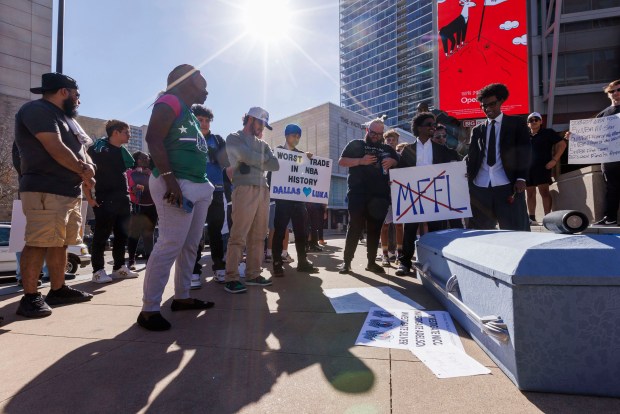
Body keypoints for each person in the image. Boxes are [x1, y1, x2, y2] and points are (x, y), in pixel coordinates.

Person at [138, 64, 215, 331]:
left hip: (196, 185)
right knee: (170, 243)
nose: (206, 90)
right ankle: (149, 309)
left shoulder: (190, 113)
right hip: (177, 183)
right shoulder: (169, 101)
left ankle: (182, 296)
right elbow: (153, 139)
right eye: (202, 83)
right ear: (187, 81)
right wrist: (171, 180)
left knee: (190, 246)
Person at [14, 72, 94, 318]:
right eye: (76, 95)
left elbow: (80, 149)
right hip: (44, 188)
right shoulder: (37, 110)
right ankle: (30, 298)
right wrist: (83, 170)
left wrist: (88, 169)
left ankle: (57, 290)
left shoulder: (66, 118)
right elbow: (55, 147)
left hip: (66, 191)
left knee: (59, 242)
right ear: (63, 92)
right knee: (38, 241)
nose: (78, 100)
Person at [395, 113, 460, 276]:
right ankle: (405, 262)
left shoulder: (441, 149)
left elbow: (454, 167)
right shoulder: (408, 150)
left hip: (436, 197)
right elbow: (401, 172)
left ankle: (436, 264)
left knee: (435, 231)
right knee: (409, 230)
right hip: (413, 196)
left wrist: (460, 172)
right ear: (419, 128)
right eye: (429, 124)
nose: (433, 126)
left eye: (434, 124)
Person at [224, 107, 280, 293]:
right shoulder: (234, 137)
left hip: (263, 189)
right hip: (244, 187)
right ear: (250, 119)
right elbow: (243, 155)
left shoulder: (263, 143)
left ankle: (253, 274)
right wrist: (259, 158)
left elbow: (275, 165)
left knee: (258, 235)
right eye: (261, 123)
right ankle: (231, 277)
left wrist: (252, 158)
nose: (262, 127)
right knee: (238, 234)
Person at [337, 118, 399, 274]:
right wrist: (360, 161)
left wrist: (393, 161)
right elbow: (341, 161)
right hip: (358, 194)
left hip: (380, 197)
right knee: (355, 227)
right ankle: (346, 263)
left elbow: (400, 163)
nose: (376, 136)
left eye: (379, 134)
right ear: (367, 131)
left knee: (375, 230)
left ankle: (371, 262)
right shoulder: (356, 144)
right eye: (373, 133)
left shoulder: (388, 149)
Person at [466, 83, 531, 231]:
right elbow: (472, 157)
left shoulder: (516, 123)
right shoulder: (477, 130)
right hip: (480, 187)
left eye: (492, 104)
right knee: (480, 232)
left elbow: (525, 152)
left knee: (515, 229)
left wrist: (521, 178)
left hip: (508, 186)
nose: (487, 108)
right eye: (483, 106)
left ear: (501, 101)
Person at [86, 120, 139, 283]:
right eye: (126, 132)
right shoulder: (96, 149)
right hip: (104, 199)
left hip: (122, 199)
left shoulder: (122, 152)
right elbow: (85, 175)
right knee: (101, 236)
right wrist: (90, 199)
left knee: (122, 235)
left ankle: (118, 268)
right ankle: (98, 271)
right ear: (115, 132)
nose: (129, 135)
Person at [189, 105, 230, 288]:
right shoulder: (187, 138)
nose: (204, 124)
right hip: (194, 190)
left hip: (217, 190)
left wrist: (215, 155)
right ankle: (194, 271)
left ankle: (219, 267)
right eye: (200, 120)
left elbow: (227, 163)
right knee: (195, 232)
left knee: (216, 231)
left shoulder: (217, 139)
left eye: (207, 120)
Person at [271, 124, 319, 276]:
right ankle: (277, 263)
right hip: (283, 199)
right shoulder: (277, 152)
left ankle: (302, 261)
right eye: (293, 135)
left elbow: (307, 176)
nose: (296, 138)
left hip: (298, 200)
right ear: (286, 136)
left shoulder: (301, 155)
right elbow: (271, 174)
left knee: (301, 231)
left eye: (298, 136)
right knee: (279, 231)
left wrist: (309, 160)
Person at [525, 112, 566, 224]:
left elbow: (562, 144)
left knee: (544, 192)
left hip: (543, 167)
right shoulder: (524, 135)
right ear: (528, 123)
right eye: (531, 120)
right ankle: (532, 218)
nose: (533, 122)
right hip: (527, 169)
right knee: (530, 193)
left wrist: (554, 160)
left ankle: (547, 217)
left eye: (536, 119)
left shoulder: (548, 133)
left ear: (540, 121)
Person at [592, 79, 620, 225]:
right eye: (612, 91)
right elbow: (594, 136)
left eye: (618, 90)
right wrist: (574, 136)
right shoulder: (602, 115)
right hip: (609, 158)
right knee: (611, 188)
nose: (615, 93)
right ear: (608, 94)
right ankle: (610, 218)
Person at [126, 151, 157, 269]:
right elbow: (130, 187)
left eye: (148, 157)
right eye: (144, 158)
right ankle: (131, 261)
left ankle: (149, 261)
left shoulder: (153, 172)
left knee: (149, 234)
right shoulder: (130, 172)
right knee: (134, 234)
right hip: (137, 206)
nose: (147, 159)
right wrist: (134, 188)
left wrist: (150, 174)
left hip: (152, 206)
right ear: (137, 160)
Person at [377, 129, 403, 266]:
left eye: (393, 140)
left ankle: (400, 253)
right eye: (388, 140)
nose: (391, 142)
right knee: (385, 226)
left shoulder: (400, 156)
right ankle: (385, 255)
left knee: (399, 225)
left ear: (397, 142)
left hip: (398, 195)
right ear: (385, 141)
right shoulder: (380, 156)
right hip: (384, 195)